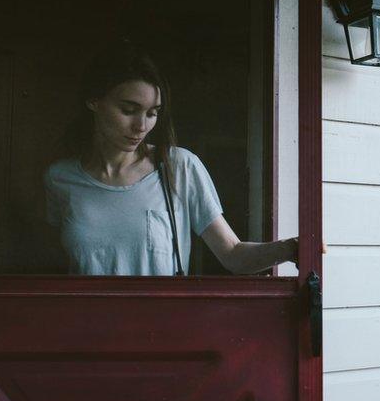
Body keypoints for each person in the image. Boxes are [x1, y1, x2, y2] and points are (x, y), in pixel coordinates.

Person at [44, 41, 297, 275]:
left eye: (152, 113)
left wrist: (291, 248)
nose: (141, 126)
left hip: (160, 323)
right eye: (128, 110)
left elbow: (233, 254)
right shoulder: (60, 179)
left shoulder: (179, 167)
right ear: (94, 101)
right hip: (87, 322)